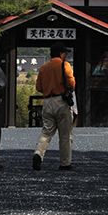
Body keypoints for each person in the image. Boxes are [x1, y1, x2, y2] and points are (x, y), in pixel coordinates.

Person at [32, 42, 76, 171]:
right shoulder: (64, 65)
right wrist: (68, 88)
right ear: (61, 54)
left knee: (46, 131)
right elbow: (71, 82)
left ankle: (38, 154)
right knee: (65, 134)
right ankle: (65, 163)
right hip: (61, 101)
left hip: (47, 102)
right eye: (65, 53)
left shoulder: (44, 67)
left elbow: (38, 87)